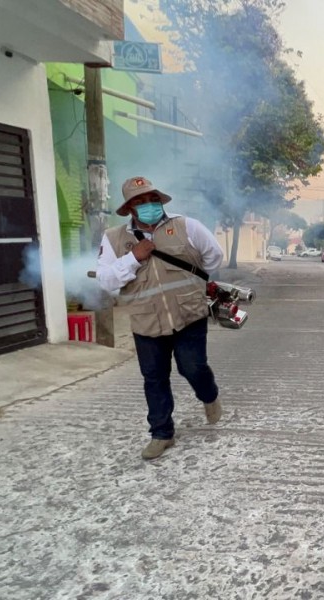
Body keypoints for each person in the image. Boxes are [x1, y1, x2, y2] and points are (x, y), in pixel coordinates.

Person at [96, 176, 225, 460]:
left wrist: (192, 281)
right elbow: (106, 280)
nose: (148, 205)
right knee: (154, 378)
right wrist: (134, 258)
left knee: (192, 367)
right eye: (139, 201)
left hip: (188, 313)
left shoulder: (186, 226)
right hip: (146, 320)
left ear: (160, 199)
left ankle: (209, 395)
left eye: (151, 199)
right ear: (129, 208)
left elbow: (214, 256)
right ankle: (161, 433)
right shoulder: (114, 238)